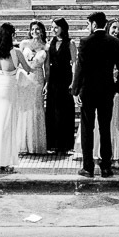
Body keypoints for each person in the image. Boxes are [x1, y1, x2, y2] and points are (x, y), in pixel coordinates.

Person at [72, 11, 119, 178]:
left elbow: (80, 69)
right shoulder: (114, 42)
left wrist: (75, 91)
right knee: (105, 128)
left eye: (88, 24)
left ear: (94, 24)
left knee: (88, 129)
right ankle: (106, 167)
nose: (88, 27)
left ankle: (88, 167)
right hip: (106, 91)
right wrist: (117, 89)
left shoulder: (85, 42)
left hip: (88, 91)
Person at [0, 22, 33, 171]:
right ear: (12, 35)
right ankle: (5, 161)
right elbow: (28, 69)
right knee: (7, 124)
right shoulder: (16, 52)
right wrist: (30, 58)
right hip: (8, 88)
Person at [92, 18, 119, 171]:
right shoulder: (104, 41)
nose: (116, 31)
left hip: (118, 85)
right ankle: (103, 154)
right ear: (108, 28)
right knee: (104, 122)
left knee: (116, 120)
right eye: (114, 28)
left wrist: (117, 65)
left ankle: (118, 154)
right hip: (103, 84)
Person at [18, 20, 49, 154]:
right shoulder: (24, 44)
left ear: (42, 31)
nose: (34, 32)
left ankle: (36, 143)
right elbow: (17, 61)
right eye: (32, 29)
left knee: (36, 108)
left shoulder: (46, 46)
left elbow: (47, 67)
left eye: (37, 29)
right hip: (24, 77)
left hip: (37, 77)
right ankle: (22, 143)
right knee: (24, 108)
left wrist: (47, 83)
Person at [46, 17, 76, 154]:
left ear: (63, 28)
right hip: (53, 79)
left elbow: (75, 63)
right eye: (52, 27)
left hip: (66, 78)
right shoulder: (50, 43)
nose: (54, 29)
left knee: (65, 112)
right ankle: (54, 143)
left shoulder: (70, 43)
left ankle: (65, 145)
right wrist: (46, 82)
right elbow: (47, 64)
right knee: (53, 111)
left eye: (56, 27)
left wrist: (73, 81)